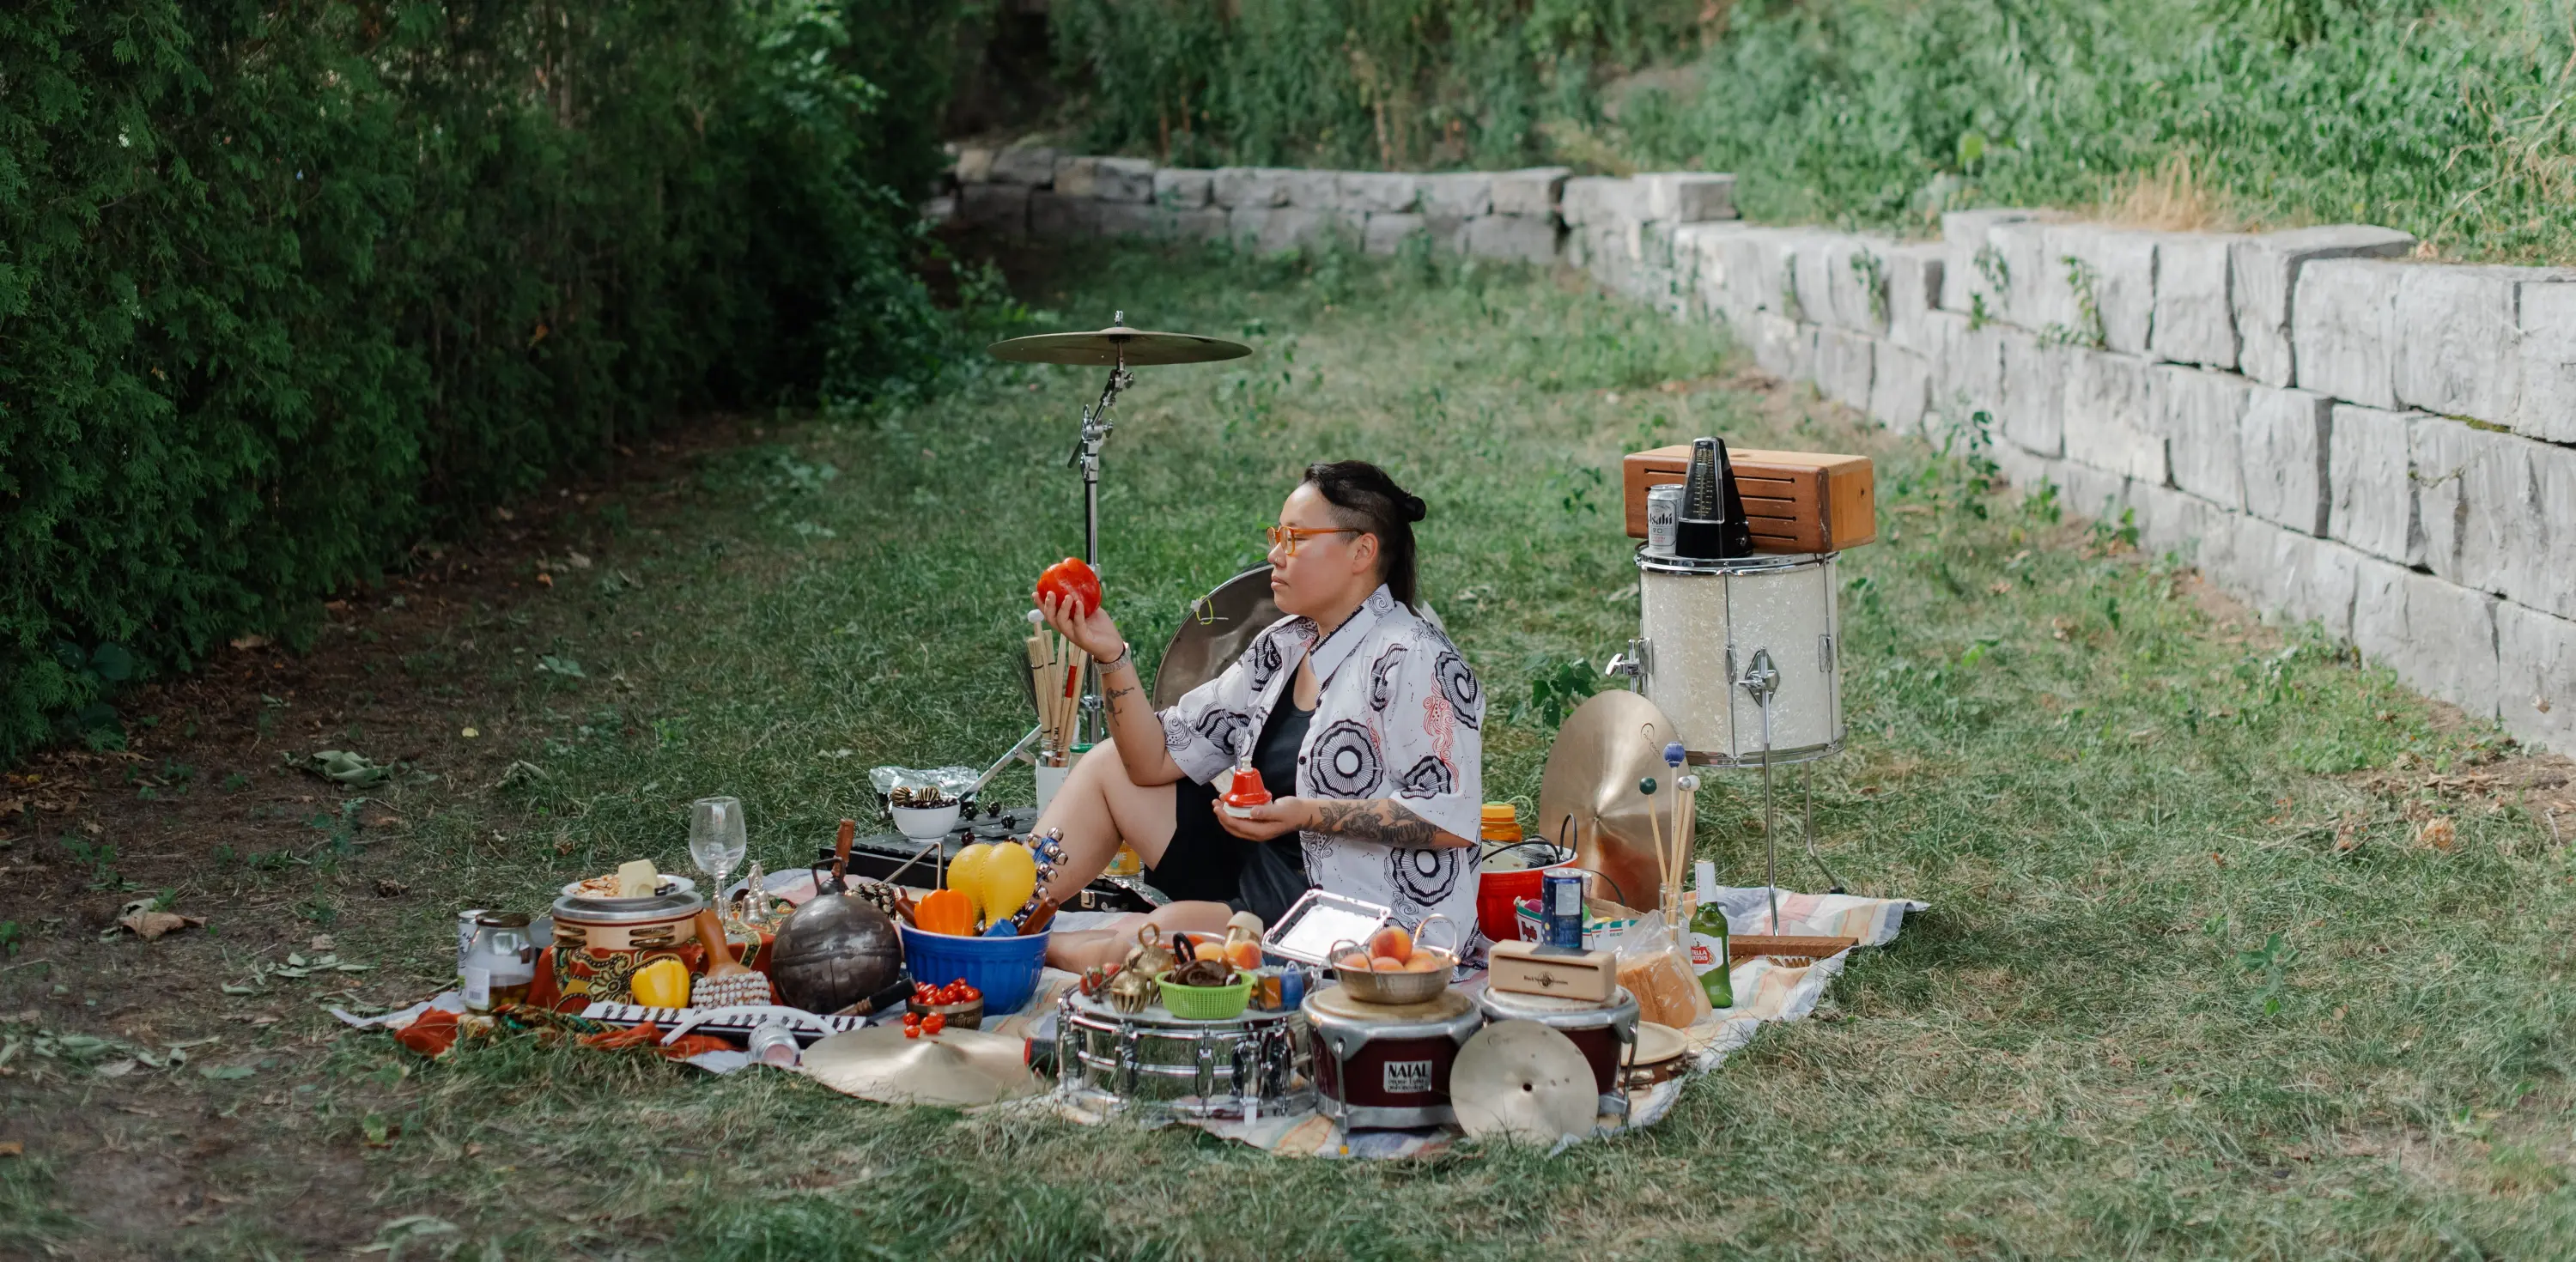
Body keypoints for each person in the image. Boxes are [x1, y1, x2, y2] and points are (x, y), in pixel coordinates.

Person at [1031, 460, 1485, 972]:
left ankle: (1004, 945)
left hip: (1355, 911)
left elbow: (1451, 818)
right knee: (1107, 767)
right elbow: (1151, 761)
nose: (1274, 554)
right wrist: (1111, 656)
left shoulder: (1416, 658)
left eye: (1294, 538)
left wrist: (1305, 813)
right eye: (1277, 536)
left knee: (1133, 944)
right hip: (1260, 869)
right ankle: (1002, 910)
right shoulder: (1286, 644)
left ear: (1362, 551)